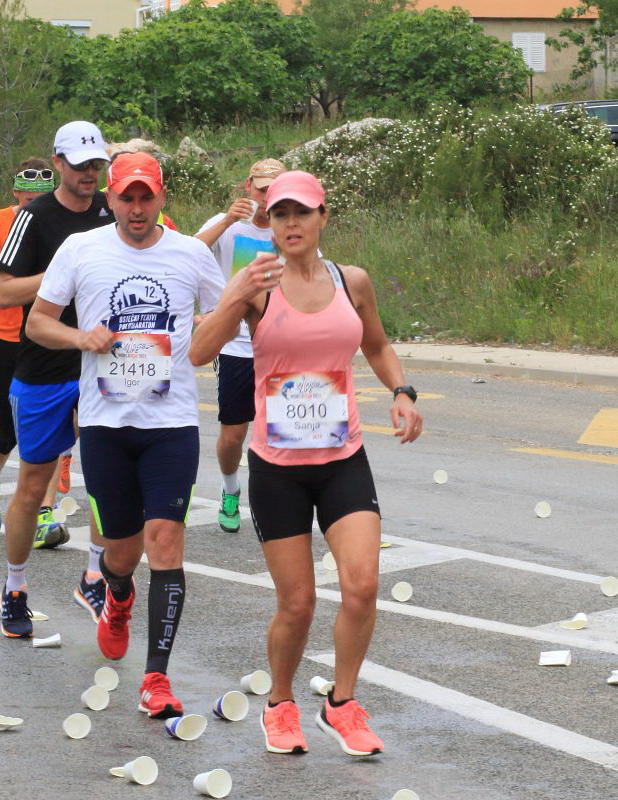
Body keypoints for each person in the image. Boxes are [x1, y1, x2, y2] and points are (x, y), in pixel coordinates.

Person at [191, 171, 423, 757]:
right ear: (267, 221)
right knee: (297, 605)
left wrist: (402, 392)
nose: (291, 224)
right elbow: (198, 352)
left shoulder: (352, 281)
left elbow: (376, 344)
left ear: (323, 218)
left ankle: (341, 705)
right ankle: (280, 704)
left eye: (302, 213)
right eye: (280, 214)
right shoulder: (257, 284)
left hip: (342, 458)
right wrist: (237, 294)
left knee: (362, 585)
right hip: (278, 468)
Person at [27, 152, 224, 718]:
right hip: (106, 426)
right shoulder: (81, 249)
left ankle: (156, 678)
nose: (137, 209)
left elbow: (225, 316)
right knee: (122, 552)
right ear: (109, 199)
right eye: (126, 198)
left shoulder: (190, 254)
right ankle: (116, 593)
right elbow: (37, 322)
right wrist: (81, 339)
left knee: (165, 542)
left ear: (162, 198)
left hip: (171, 425)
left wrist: (220, 327)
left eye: (146, 197)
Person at [0, 121, 114, 638]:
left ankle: (96, 576)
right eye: (80, 165)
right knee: (32, 486)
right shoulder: (34, 216)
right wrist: (66, 271)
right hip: (45, 367)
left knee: (109, 477)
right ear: (58, 163)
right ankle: (15, 585)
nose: (90, 174)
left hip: (105, 364)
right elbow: (2, 292)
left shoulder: (114, 208)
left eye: (97, 164)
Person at [0, 158, 64, 540]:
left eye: (40, 201)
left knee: (51, 428)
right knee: (7, 432)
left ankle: (44, 514)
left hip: (46, 336)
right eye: (27, 200)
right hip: (2, 336)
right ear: (15, 193)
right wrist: (55, 280)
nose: (33, 208)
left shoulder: (60, 223)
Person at [195, 158, 285, 532]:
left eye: (275, 191)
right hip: (235, 345)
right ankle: (230, 488)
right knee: (234, 434)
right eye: (262, 189)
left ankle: (275, 499)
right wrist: (227, 221)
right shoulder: (227, 224)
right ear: (248, 186)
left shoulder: (289, 228)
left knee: (278, 430)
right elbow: (186, 253)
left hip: (279, 343)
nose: (267, 198)